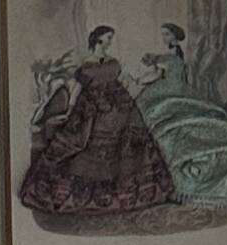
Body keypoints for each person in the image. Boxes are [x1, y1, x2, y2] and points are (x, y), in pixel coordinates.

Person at [18, 25, 176, 223]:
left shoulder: (113, 61)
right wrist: (70, 108)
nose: (110, 41)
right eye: (108, 37)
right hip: (94, 107)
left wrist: (129, 85)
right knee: (84, 142)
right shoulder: (87, 64)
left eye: (111, 38)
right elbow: (77, 88)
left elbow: (121, 80)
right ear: (99, 38)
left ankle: (137, 189)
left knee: (134, 141)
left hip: (122, 106)